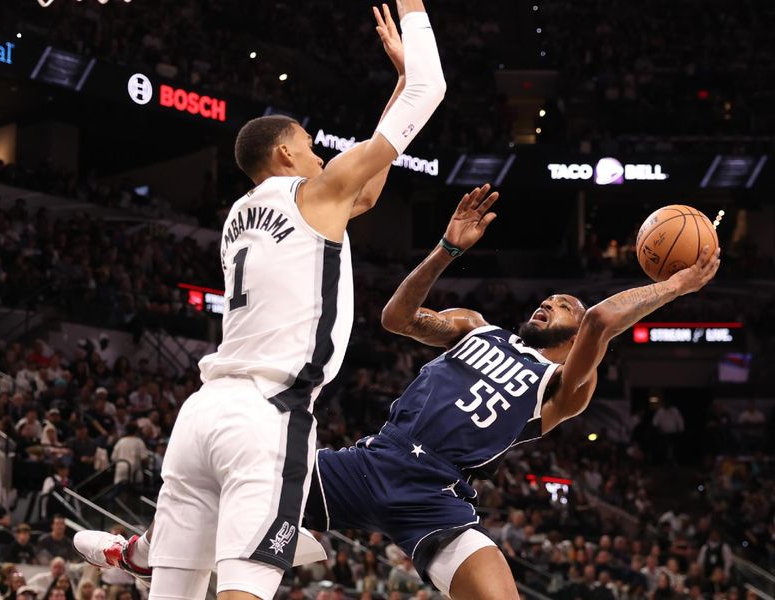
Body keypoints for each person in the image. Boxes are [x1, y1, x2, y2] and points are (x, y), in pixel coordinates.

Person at [74, 2, 446, 599]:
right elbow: (434, 88)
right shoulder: (312, 193)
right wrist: (413, 21)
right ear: (284, 154)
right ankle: (139, 551)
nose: (321, 154)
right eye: (309, 144)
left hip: (200, 416)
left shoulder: (241, 216)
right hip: (266, 415)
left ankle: (138, 552)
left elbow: (369, 191)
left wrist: (399, 84)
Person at [300, 186, 719, 599]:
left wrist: (677, 285)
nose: (549, 302)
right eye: (549, 299)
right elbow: (396, 318)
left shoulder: (563, 386)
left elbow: (600, 319)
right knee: (243, 485)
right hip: (373, 461)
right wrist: (447, 248)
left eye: (562, 305)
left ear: (575, 340)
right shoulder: (476, 327)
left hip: (436, 497)